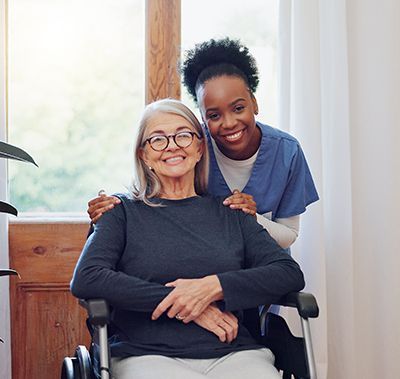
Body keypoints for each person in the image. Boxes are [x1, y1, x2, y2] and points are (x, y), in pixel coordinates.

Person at [71, 99, 305, 379]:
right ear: (144, 155)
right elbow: (88, 277)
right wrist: (187, 304)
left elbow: (288, 274)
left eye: (183, 135)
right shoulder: (120, 212)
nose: (172, 146)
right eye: (157, 139)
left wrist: (213, 287)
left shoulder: (232, 212)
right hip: (147, 354)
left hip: (233, 353)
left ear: (199, 147)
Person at [86, 37, 319, 250]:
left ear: (254, 103)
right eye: (214, 115)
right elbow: (154, 198)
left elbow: (289, 234)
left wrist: (250, 215)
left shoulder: (287, 152)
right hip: (207, 264)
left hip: (264, 267)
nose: (228, 123)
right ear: (202, 118)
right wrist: (114, 206)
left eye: (238, 108)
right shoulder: (191, 148)